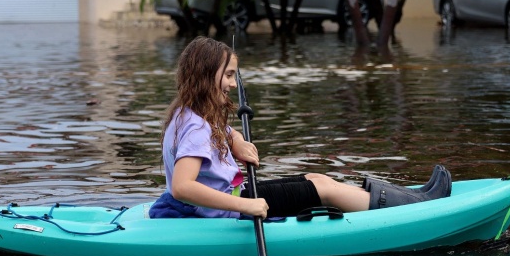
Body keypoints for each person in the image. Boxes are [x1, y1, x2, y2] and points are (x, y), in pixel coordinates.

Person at [149, 36, 451, 219]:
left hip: (233, 197)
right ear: (204, 76)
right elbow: (183, 186)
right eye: (227, 75)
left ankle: (412, 198)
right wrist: (248, 207)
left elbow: (218, 137)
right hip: (227, 210)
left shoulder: (190, 114)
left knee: (314, 177)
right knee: (320, 189)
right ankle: (414, 210)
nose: (231, 83)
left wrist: (236, 139)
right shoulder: (196, 127)